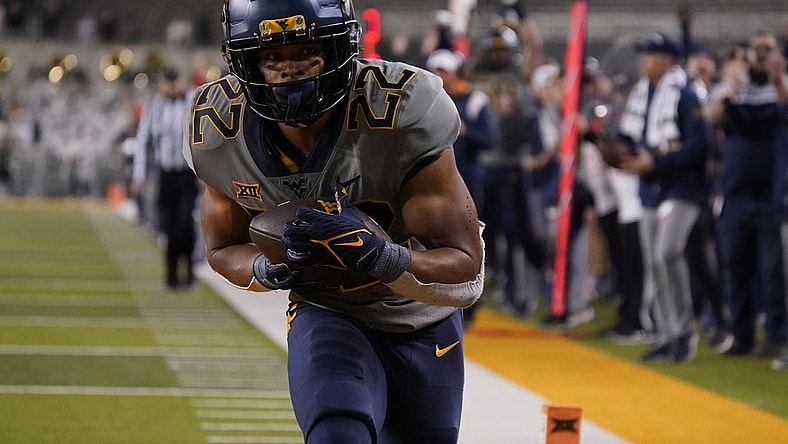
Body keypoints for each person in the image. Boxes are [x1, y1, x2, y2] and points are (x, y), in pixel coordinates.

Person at [184, 1, 485, 442]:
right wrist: (264, 269)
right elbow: (223, 249)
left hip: (422, 313)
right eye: (272, 57)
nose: (290, 70)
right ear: (246, 60)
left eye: (306, 51)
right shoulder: (219, 128)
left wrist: (383, 257)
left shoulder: (401, 111)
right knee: (337, 430)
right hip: (328, 309)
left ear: (338, 48)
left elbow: (464, 263)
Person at [617, 32, 711, 363]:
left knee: (668, 252)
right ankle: (666, 333)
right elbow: (633, 138)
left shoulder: (684, 95)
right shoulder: (644, 94)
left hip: (681, 187)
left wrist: (655, 161)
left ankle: (684, 332)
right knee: (656, 262)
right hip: (652, 188)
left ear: (666, 60)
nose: (643, 60)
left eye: (650, 55)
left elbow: (700, 145)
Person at [705, 29, 787, 359]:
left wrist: (778, 78)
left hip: (772, 194)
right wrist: (735, 87)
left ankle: (777, 335)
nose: (762, 56)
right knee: (736, 267)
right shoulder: (732, 87)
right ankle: (741, 334)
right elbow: (710, 118)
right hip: (735, 194)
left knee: (771, 271)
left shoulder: (782, 88)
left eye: (768, 50)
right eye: (757, 50)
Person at [425, 48, 496, 328]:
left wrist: (466, 131)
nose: (440, 76)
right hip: (432, 184)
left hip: (468, 182)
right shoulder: (425, 100)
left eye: (445, 71)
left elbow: (490, 139)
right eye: (436, 70)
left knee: (470, 246)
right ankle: (439, 304)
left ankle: (471, 307)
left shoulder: (474, 99)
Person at [133, 68, 199, 291]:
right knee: (168, 226)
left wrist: (204, 173)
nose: (171, 86)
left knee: (185, 222)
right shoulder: (154, 107)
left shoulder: (193, 102)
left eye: (175, 81)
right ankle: (171, 274)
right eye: (168, 82)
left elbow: (203, 140)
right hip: (166, 174)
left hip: (188, 173)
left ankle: (189, 269)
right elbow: (144, 141)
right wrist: (139, 175)